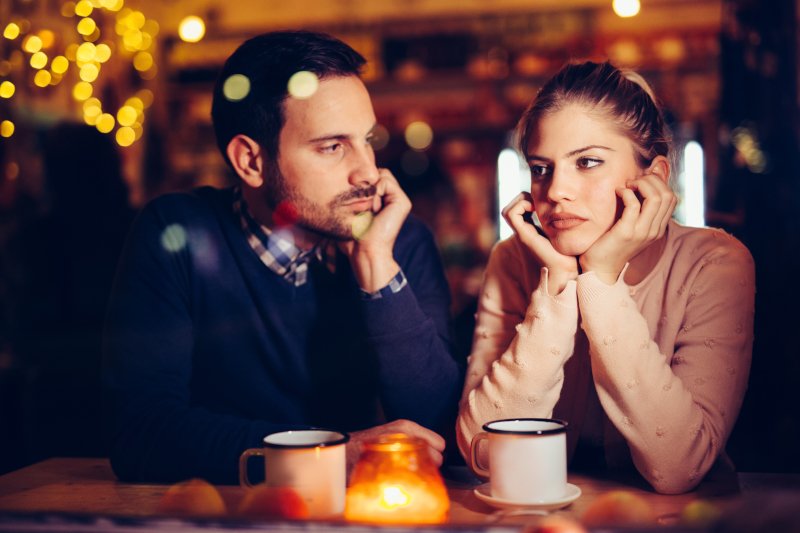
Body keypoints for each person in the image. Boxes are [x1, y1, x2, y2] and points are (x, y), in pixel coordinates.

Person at [104, 30, 462, 484]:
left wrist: (377, 272)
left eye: (366, 139)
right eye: (332, 147)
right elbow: (140, 435)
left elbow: (439, 435)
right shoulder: (177, 234)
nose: (369, 171)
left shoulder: (398, 240)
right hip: (217, 516)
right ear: (250, 162)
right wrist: (325, 456)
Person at [456, 61, 755, 494]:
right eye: (541, 168)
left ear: (652, 177)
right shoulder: (514, 260)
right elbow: (483, 453)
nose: (556, 190)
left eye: (588, 162)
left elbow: (680, 466)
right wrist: (557, 287)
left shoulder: (715, 263)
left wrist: (601, 280)